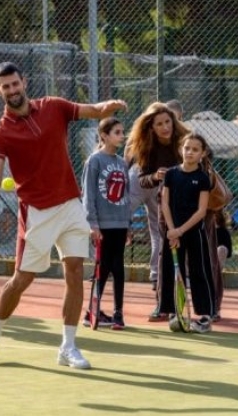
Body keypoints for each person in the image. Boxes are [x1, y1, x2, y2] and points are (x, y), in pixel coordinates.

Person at [0, 61, 127, 369]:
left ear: (24, 82)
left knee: (75, 273)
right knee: (21, 279)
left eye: (15, 84)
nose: (11, 90)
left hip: (71, 205)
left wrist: (106, 107)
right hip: (36, 212)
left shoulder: (53, 107)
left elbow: (90, 110)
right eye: (5, 86)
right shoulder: (0, 133)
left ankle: (68, 346)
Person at [125, 102, 190, 321]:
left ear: (174, 121)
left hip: (188, 203)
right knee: (163, 250)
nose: (164, 127)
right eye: (159, 124)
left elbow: (204, 159)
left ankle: (205, 309)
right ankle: (163, 305)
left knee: (192, 255)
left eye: (167, 122)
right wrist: (155, 176)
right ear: (151, 127)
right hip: (162, 202)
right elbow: (142, 179)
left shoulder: (185, 140)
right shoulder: (146, 147)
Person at [160, 132, 216, 333]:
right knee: (172, 271)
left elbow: (201, 211)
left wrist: (180, 231)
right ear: (181, 149)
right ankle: (175, 311)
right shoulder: (171, 174)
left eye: (195, 149)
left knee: (199, 271)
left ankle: (204, 316)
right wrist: (171, 230)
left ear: (202, 153)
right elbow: (164, 203)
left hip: (194, 234)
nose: (190, 152)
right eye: (187, 148)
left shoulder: (202, 178)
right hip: (172, 233)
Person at [81, 117, 130, 330]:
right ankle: (91, 311)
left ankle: (118, 313)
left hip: (120, 224)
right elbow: (89, 194)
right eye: (117, 132)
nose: (122, 136)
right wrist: (92, 224)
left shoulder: (121, 162)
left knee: (118, 268)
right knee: (103, 268)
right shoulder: (95, 160)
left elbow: (126, 195)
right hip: (102, 225)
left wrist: (127, 224)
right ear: (104, 136)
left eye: (122, 132)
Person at [213, 208, 233, 320]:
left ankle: (215, 309)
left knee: (221, 249)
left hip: (216, 262)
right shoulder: (202, 230)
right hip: (204, 259)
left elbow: (228, 252)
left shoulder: (223, 232)